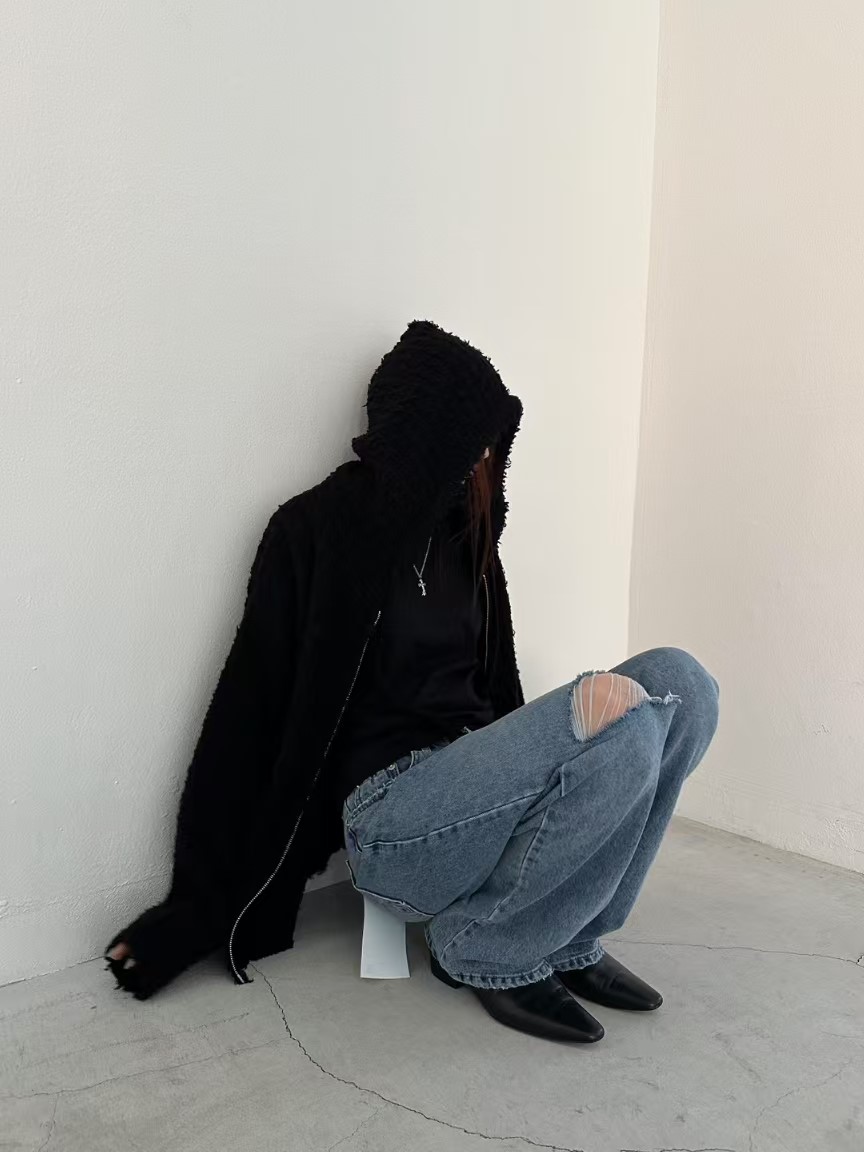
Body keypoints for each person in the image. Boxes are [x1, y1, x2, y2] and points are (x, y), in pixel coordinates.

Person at [106, 320, 718, 1044]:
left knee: (684, 684)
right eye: (471, 440)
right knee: (621, 724)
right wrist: (190, 914)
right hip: (389, 818)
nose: (483, 460)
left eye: (490, 443)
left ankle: (569, 934)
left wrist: (562, 755)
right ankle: (484, 949)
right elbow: (246, 715)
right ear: (426, 431)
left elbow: (500, 695)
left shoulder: (470, 544)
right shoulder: (314, 532)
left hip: (475, 788)